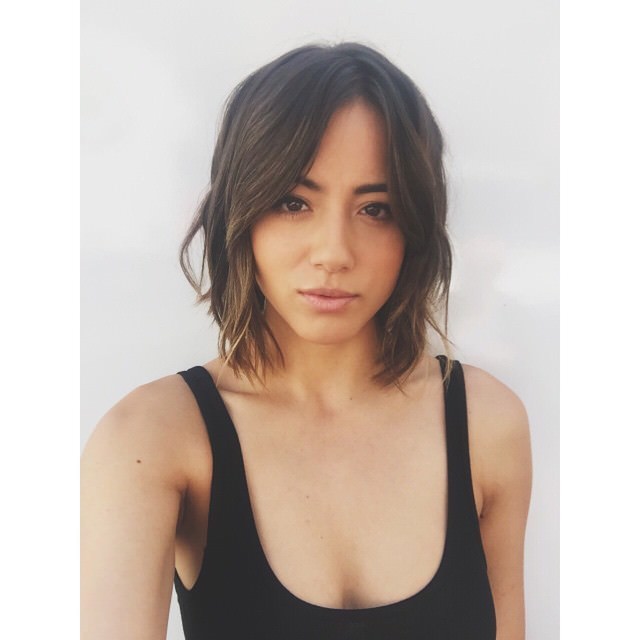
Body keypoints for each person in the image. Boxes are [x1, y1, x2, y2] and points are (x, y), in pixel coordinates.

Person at [81, 42, 532, 639]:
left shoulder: (486, 424)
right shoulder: (153, 437)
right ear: (240, 211)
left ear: (415, 227)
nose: (334, 253)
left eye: (376, 209)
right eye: (294, 203)